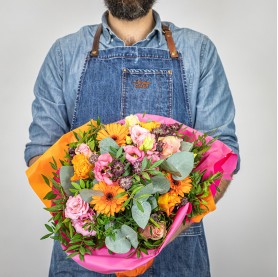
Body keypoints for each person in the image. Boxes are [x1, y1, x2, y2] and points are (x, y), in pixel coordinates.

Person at [25, 1, 240, 276]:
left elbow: (222, 154)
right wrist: (93, 223)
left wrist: (161, 233)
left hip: (177, 256)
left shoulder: (198, 51)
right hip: (84, 258)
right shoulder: (64, 54)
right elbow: (41, 155)